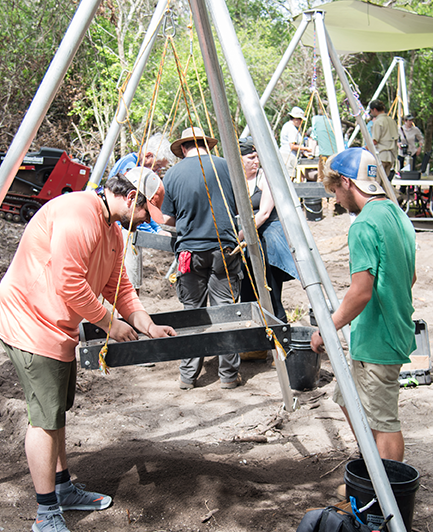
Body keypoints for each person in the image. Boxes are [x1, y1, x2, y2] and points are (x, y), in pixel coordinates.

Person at [0, 167, 177, 532]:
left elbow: (119, 286)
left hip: (58, 326)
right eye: (146, 211)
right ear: (131, 198)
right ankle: (46, 514)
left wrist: (146, 324)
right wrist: (110, 323)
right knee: (44, 418)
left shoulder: (113, 230)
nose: (146, 220)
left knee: (56, 411)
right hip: (30, 322)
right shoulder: (78, 214)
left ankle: (62, 488)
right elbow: (70, 283)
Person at [309, 148, 416, 462]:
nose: (337, 199)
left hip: (379, 339)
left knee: (383, 422)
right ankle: (373, 470)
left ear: (346, 182)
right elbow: (410, 277)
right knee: (347, 397)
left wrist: (326, 328)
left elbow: (360, 293)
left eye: (335, 190)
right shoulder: (397, 214)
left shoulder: (363, 225)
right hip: (388, 329)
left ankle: (390, 486)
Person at [162, 126, 243, 390]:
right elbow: (240, 205)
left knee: (192, 314)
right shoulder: (225, 166)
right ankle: (228, 375)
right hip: (225, 250)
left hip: (190, 253)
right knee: (226, 312)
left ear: (183, 148)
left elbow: (167, 219)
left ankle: (188, 376)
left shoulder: (172, 174)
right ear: (206, 145)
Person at [238, 137, 299, 322]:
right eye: (251, 158)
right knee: (246, 287)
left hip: (268, 236)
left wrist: (239, 236)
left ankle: (278, 324)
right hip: (244, 235)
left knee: (270, 289)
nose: (256, 161)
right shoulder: (232, 178)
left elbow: (264, 213)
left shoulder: (265, 177)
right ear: (239, 158)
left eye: (257, 157)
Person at [106, 134, 175, 293]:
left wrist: (157, 229)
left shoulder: (140, 167)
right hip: (123, 229)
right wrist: (154, 231)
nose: (157, 171)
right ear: (148, 155)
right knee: (129, 283)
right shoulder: (132, 169)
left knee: (131, 281)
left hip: (129, 228)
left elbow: (146, 208)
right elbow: (135, 210)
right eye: (158, 166)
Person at [368, 100, 398, 177]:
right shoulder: (392, 121)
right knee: (386, 182)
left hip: (381, 155)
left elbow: (375, 141)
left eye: (371, 111)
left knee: (377, 181)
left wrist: (365, 149)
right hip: (391, 157)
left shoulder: (378, 122)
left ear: (374, 109)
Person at [279, 106, 311, 178]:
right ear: (296, 119)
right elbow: (292, 146)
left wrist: (303, 152)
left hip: (286, 155)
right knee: (290, 177)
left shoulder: (287, 126)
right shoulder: (291, 129)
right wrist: (306, 149)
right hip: (288, 156)